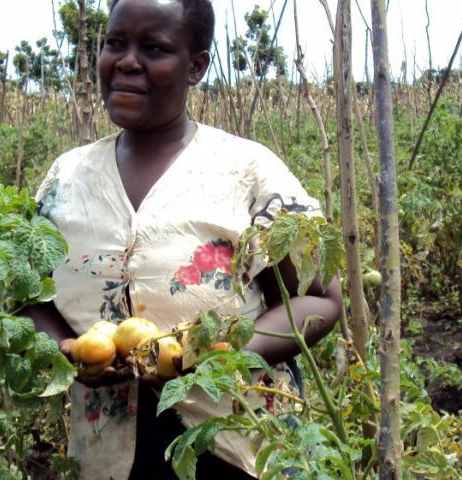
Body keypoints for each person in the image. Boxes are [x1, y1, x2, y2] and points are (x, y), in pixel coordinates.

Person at [29, 0, 343, 478]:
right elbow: (29, 300)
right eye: (116, 43)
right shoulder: (64, 178)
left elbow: (319, 301)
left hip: (238, 441)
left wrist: (215, 355)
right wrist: (68, 350)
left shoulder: (247, 171)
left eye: (153, 48)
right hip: (104, 452)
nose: (128, 61)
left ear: (196, 66)